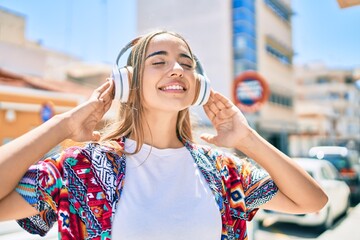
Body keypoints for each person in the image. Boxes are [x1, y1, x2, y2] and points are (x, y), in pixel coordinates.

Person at [0, 30, 327, 240]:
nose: (178, 70)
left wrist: (247, 139)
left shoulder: (224, 172)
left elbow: (312, 201)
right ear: (129, 83)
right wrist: (63, 126)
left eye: (187, 64)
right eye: (159, 61)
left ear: (198, 86)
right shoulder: (80, 169)